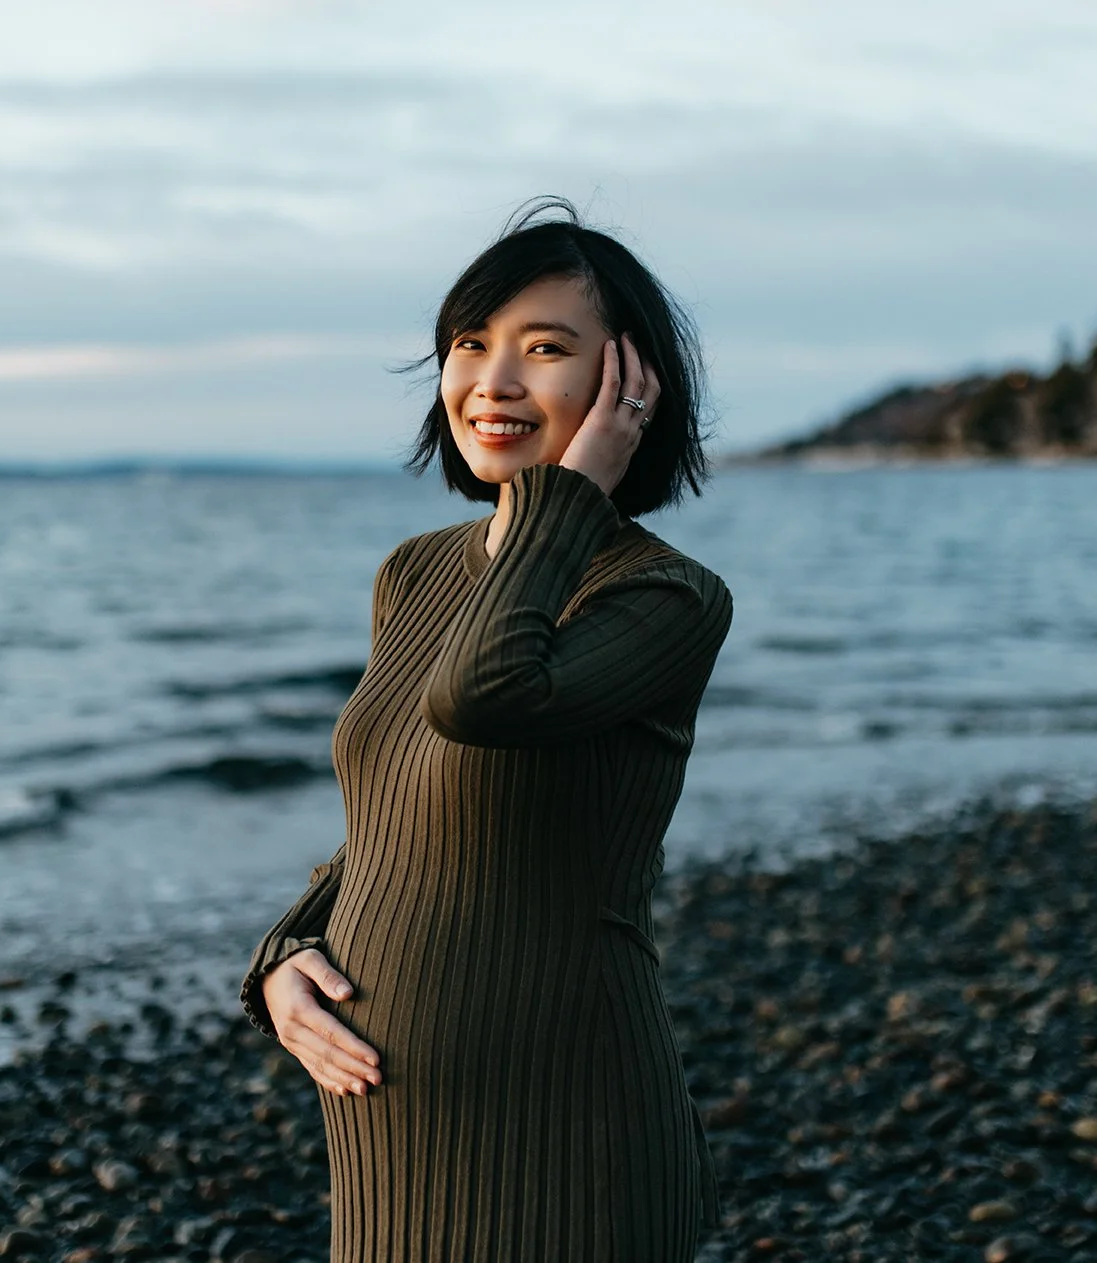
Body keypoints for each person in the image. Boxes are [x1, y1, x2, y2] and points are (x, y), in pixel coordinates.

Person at [237, 197, 735, 1262]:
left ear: (627, 384)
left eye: (545, 350)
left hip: (573, 1128)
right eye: (471, 345)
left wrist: (565, 499)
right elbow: (395, 814)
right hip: (390, 1131)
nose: (493, 382)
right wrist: (283, 955)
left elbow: (483, 699)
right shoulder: (414, 573)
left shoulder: (664, 598)